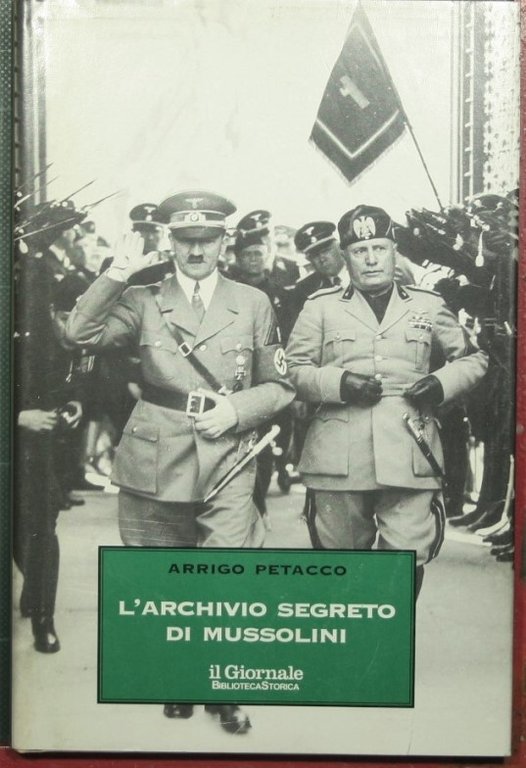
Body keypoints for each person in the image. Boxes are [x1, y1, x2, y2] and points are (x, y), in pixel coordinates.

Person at [65, 190, 294, 733]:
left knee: (228, 576)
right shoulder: (142, 298)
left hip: (229, 453)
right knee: (163, 578)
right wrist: (116, 273)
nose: (195, 251)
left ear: (224, 242)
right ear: (170, 242)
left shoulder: (253, 302)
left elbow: (279, 385)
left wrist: (236, 410)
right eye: (185, 240)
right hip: (157, 449)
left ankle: (222, 685)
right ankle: (179, 674)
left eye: (206, 240)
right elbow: (79, 334)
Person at [285, 204, 489, 596]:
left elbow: (473, 358)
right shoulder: (320, 306)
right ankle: (350, 635)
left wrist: (440, 383)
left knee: (407, 560)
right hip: (338, 457)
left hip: (410, 450)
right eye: (360, 251)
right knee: (341, 567)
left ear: (394, 251)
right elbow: (293, 370)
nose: (371, 259)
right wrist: (340, 382)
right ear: (346, 257)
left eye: (379, 248)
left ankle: (391, 634)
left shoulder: (427, 304)